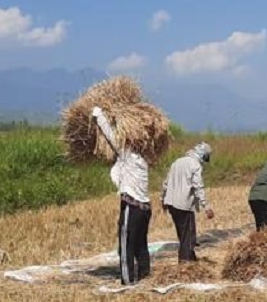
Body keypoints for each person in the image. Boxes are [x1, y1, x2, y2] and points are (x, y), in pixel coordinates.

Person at [91, 106, 152, 285]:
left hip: (132, 207)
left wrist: (99, 115)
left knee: (125, 246)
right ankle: (144, 276)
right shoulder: (143, 160)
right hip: (145, 208)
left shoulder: (127, 155)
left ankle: (127, 282)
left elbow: (110, 137)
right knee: (141, 244)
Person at [161, 142, 213, 262]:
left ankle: (191, 259)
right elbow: (198, 187)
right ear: (202, 154)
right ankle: (185, 264)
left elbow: (166, 182)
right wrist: (206, 206)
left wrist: (162, 198)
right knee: (189, 237)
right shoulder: (195, 165)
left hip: (171, 203)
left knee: (182, 234)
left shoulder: (177, 162)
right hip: (183, 204)